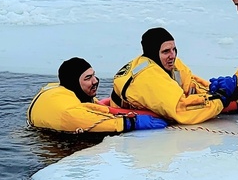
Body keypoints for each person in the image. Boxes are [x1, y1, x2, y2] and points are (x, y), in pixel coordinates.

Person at [111, 27, 235, 125]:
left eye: (174, 49)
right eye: (166, 51)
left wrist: (213, 90)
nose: (173, 55)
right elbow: (181, 111)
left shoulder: (170, 64)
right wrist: (220, 100)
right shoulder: (149, 78)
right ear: (153, 53)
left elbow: (190, 84)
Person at [28, 57, 167, 134]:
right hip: (49, 142)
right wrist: (133, 122)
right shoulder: (69, 113)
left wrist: (108, 103)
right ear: (74, 82)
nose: (95, 81)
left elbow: (91, 107)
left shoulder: (59, 89)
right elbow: (107, 122)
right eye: (88, 78)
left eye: (94, 75)